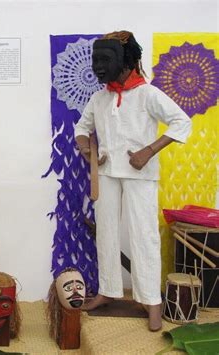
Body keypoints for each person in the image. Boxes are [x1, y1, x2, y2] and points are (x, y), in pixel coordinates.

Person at [74, 31, 191, 331]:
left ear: (125, 60)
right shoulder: (99, 98)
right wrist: (89, 151)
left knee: (144, 234)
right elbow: (81, 130)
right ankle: (108, 290)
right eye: (95, 59)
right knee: (107, 234)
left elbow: (182, 121)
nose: (98, 66)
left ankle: (151, 300)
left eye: (105, 59)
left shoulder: (148, 94)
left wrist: (148, 151)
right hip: (106, 176)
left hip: (141, 174)